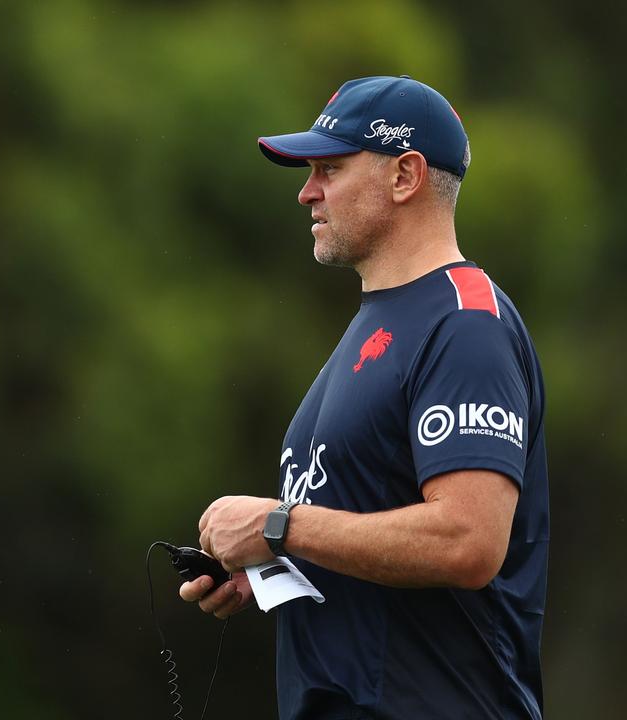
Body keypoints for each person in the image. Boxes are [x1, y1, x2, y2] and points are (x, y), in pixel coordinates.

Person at [181, 75, 550, 720]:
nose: (306, 192)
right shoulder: (379, 323)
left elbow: (468, 540)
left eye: (330, 168)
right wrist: (270, 565)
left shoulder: (464, 325)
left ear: (405, 177)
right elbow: (362, 525)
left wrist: (278, 526)